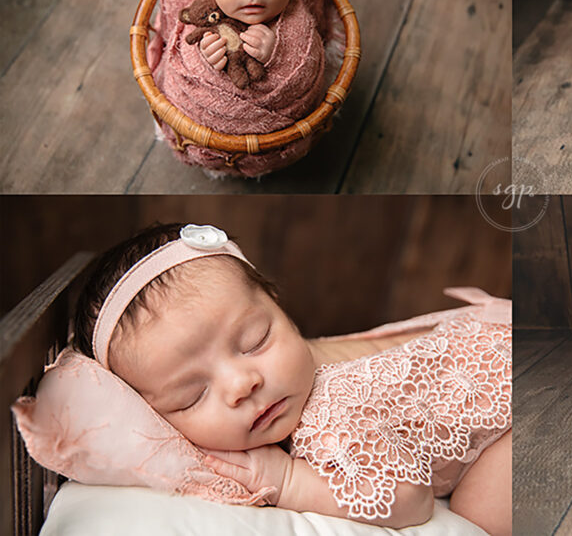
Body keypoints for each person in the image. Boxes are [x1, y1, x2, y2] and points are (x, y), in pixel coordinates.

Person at [72, 223, 511, 535]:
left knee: (483, 517)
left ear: (276, 302)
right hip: (493, 340)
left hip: (520, 392)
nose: (243, 384)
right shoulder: (290, 369)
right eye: (192, 395)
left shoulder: (329, 415)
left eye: (255, 340)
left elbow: (410, 501)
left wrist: (289, 482)